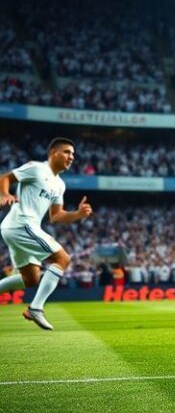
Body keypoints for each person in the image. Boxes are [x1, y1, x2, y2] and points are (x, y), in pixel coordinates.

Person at [0, 137, 93, 330]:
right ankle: (36, 308)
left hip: (21, 228)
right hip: (21, 224)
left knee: (31, 279)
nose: (71, 157)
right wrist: (5, 194)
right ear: (53, 153)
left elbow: (56, 216)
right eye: (67, 152)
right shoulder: (36, 168)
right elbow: (6, 177)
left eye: (73, 154)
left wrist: (77, 214)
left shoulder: (60, 185)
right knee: (63, 259)